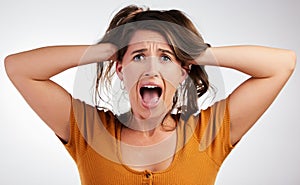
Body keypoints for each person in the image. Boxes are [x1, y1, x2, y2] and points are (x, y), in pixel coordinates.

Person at [4, 5, 296, 185]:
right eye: (139, 57)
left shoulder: (210, 133)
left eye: (167, 58)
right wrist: (103, 50)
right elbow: (18, 68)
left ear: (183, 73)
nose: (152, 68)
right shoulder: (88, 130)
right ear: (121, 69)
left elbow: (282, 64)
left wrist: (197, 52)